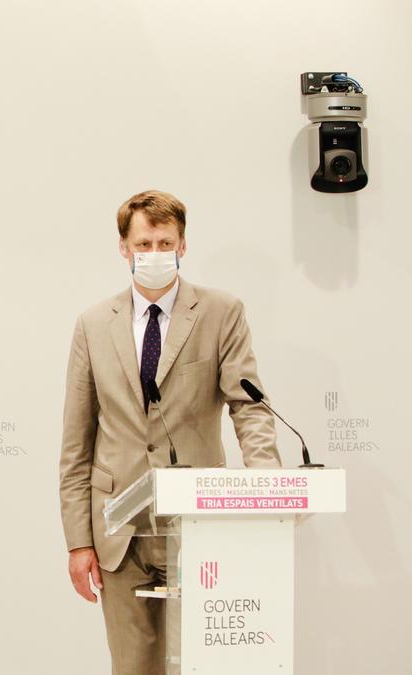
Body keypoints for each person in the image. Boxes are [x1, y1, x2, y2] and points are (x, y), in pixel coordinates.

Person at [58, 190, 281, 674]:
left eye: (164, 243)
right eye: (144, 244)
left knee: (205, 664)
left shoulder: (222, 312)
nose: (154, 254)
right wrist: (78, 541)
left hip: (200, 521)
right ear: (123, 248)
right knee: (134, 667)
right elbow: (76, 443)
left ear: (183, 245)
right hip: (119, 530)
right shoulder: (93, 325)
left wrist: (268, 485)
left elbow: (249, 405)